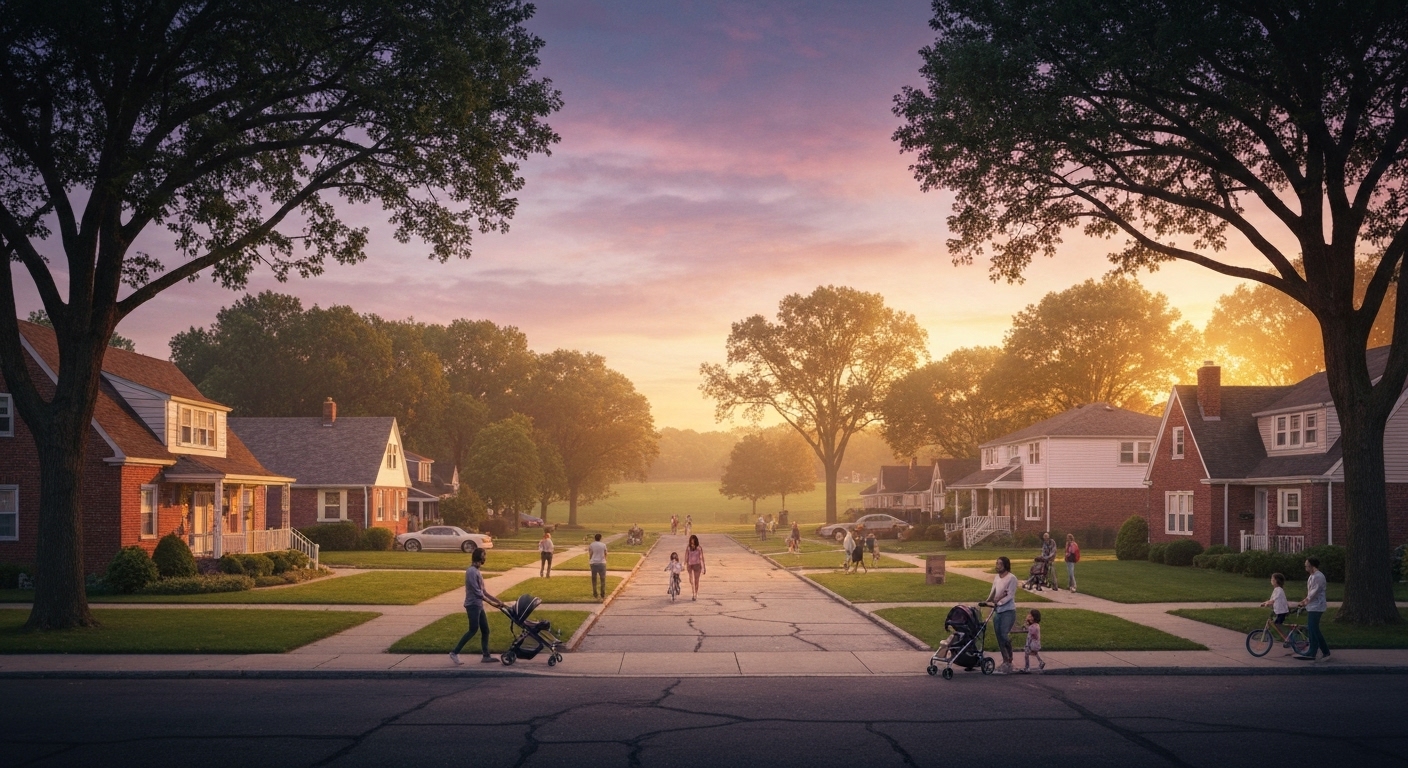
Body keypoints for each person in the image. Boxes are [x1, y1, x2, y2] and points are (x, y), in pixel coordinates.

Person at [450, 547, 502, 664]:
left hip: (478, 605)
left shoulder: (477, 572)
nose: (485, 558)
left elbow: (484, 592)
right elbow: (477, 592)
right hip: (472, 605)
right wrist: (492, 603)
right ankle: (454, 652)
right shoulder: (471, 572)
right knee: (473, 629)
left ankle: (486, 656)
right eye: (484, 555)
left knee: (485, 630)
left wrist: (498, 601)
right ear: (479, 557)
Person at [984, 556, 1019, 674]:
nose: (997, 566)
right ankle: (1005, 660)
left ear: (1005, 565)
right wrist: (987, 601)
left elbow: (1010, 595)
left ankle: (1010, 658)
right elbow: (993, 591)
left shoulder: (1012, 578)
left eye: (999, 564)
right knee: (999, 637)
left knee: (1004, 635)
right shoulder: (996, 577)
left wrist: (999, 602)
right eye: (996, 563)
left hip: (1008, 611)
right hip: (997, 611)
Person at [1295, 557, 1331, 662]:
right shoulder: (1312, 576)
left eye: (1306, 564)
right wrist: (1305, 603)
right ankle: (1312, 652)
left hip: (1317, 606)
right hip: (1312, 606)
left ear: (1311, 565)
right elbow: (1310, 593)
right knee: (1312, 629)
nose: (1305, 566)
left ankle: (1325, 652)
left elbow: (1313, 593)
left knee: (1314, 629)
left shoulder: (1319, 576)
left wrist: (1304, 602)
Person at [1018, 609, 1044, 673]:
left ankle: (1027, 667)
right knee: (1035, 653)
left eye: (1030, 616)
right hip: (1036, 644)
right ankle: (1041, 662)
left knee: (1026, 654)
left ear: (1033, 618)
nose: (1029, 616)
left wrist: (1027, 645)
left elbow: (1030, 636)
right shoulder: (1036, 625)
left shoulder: (1033, 627)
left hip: (1032, 645)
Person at [685, 534, 706, 600]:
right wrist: (684, 564)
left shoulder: (699, 548)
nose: (692, 545)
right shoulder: (688, 548)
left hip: (697, 565)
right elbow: (686, 556)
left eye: (693, 543)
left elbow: (701, 558)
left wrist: (703, 567)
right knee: (691, 580)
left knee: (696, 580)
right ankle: (693, 591)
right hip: (690, 565)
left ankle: (695, 594)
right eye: (691, 543)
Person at [588, 533, 609, 600]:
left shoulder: (592, 545)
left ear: (595, 538)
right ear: (600, 538)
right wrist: (605, 559)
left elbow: (591, 553)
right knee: (603, 579)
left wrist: (590, 559)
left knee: (594, 579)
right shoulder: (603, 545)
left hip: (594, 563)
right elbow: (605, 553)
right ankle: (602, 594)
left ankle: (595, 594)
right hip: (602, 563)